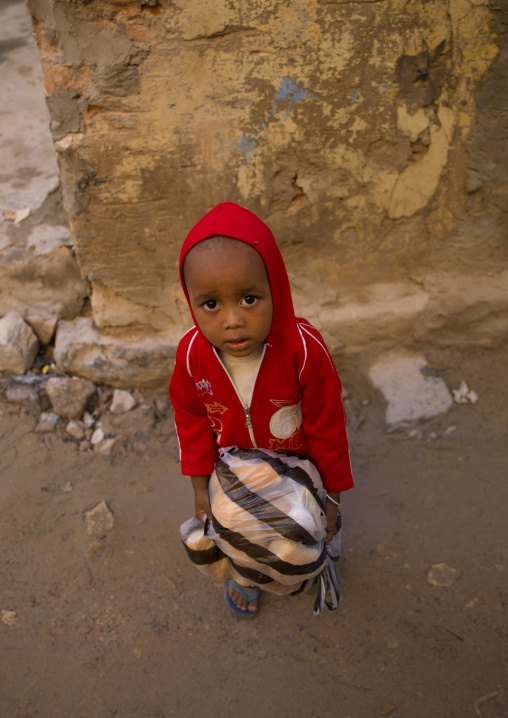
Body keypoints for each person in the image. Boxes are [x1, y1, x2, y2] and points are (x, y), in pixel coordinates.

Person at [169, 202, 354, 617]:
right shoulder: (192, 355)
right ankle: (246, 575)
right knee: (238, 531)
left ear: (277, 288)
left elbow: (328, 425)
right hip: (236, 469)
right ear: (191, 302)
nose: (233, 321)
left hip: (300, 468)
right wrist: (200, 488)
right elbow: (190, 418)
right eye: (211, 304)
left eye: (249, 298)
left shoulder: (303, 350)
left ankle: (313, 564)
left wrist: (334, 498)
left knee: (305, 532)